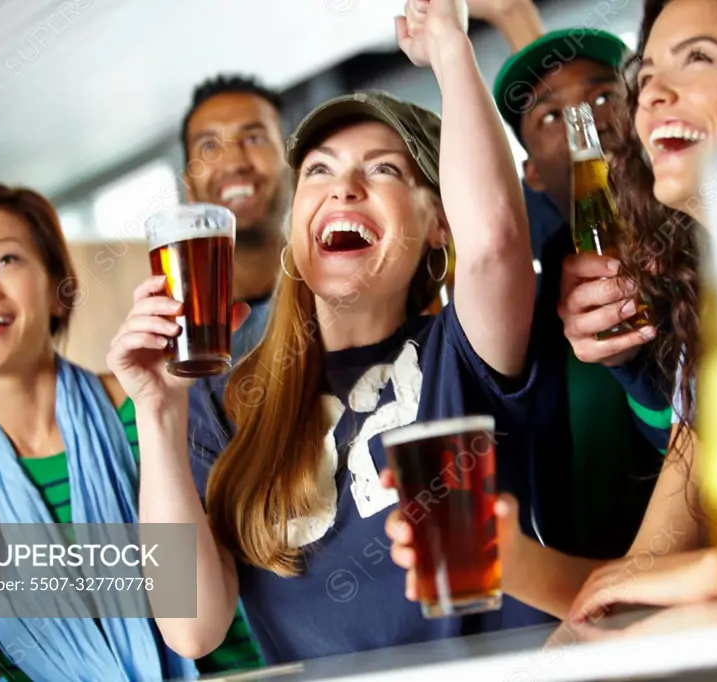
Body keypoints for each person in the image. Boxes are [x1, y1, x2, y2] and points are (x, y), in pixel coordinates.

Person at [388, 0, 717, 623]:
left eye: (697, 58)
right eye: (644, 78)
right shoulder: (715, 341)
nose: (653, 96)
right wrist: (508, 557)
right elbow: (640, 582)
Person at [108, 0, 553, 665]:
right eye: (318, 170)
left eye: (383, 169)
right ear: (296, 220)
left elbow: (492, 240)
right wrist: (156, 411)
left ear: (438, 221)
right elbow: (190, 629)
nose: (343, 188)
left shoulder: (462, 351)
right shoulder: (223, 392)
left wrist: (450, 48)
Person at [0, 184, 262, 681]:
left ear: (59, 289)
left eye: (6, 259)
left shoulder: (156, 404)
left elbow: (196, 628)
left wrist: (160, 411)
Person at [490, 25, 671, 560]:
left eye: (603, 97)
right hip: (597, 595)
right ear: (531, 176)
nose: (585, 123)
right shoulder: (530, 307)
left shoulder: (708, 234)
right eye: (552, 117)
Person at [179, 74, 290, 358]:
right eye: (209, 146)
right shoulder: (180, 339)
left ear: (292, 163)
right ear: (188, 185)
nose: (233, 163)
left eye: (254, 138)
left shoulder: (347, 294)